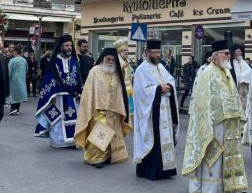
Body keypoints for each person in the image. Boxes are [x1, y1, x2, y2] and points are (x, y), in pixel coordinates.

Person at [182, 39, 249, 193]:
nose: (229, 56)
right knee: (216, 156)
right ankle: (212, 189)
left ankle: (235, 186)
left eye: (229, 53)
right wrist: (207, 124)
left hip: (230, 123)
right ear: (216, 56)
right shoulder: (207, 73)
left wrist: (240, 114)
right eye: (226, 53)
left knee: (233, 156)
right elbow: (202, 102)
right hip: (216, 123)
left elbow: (233, 95)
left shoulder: (226, 71)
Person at [75, 47, 132, 167]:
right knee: (99, 134)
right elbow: (88, 92)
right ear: (103, 59)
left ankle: (108, 156)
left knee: (112, 135)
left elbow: (121, 91)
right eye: (108, 59)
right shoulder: (95, 71)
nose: (110, 62)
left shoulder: (117, 72)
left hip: (114, 110)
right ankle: (95, 159)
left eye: (113, 60)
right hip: (98, 110)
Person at [133, 40, 178, 180]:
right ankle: (152, 171)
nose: (159, 55)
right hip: (152, 113)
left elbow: (171, 80)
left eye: (159, 52)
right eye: (155, 53)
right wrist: (159, 89)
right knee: (154, 141)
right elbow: (141, 92)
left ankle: (166, 170)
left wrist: (169, 86)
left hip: (165, 111)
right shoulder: (141, 70)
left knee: (164, 141)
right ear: (147, 53)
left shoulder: (161, 67)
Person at [34, 35, 83, 148]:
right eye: (67, 45)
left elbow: (78, 77)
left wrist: (79, 91)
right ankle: (59, 141)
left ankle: (72, 141)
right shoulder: (55, 61)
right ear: (61, 47)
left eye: (70, 45)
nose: (69, 47)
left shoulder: (74, 60)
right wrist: (52, 95)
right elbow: (50, 78)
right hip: (58, 96)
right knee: (58, 119)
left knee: (74, 117)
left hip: (72, 96)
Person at [113, 39, 134, 117]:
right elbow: (115, 72)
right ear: (119, 51)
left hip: (129, 87)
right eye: (125, 50)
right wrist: (122, 67)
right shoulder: (117, 60)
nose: (127, 52)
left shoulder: (126, 60)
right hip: (121, 87)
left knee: (129, 110)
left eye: (127, 50)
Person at [7, 46, 28, 115]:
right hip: (22, 79)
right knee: (19, 94)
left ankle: (13, 108)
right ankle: (17, 109)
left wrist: (7, 78)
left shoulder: (12, 60)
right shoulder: (24, 60)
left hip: (14, 80)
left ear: (15, 52)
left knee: (13, 94)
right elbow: (27, 70)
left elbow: (9, 70)